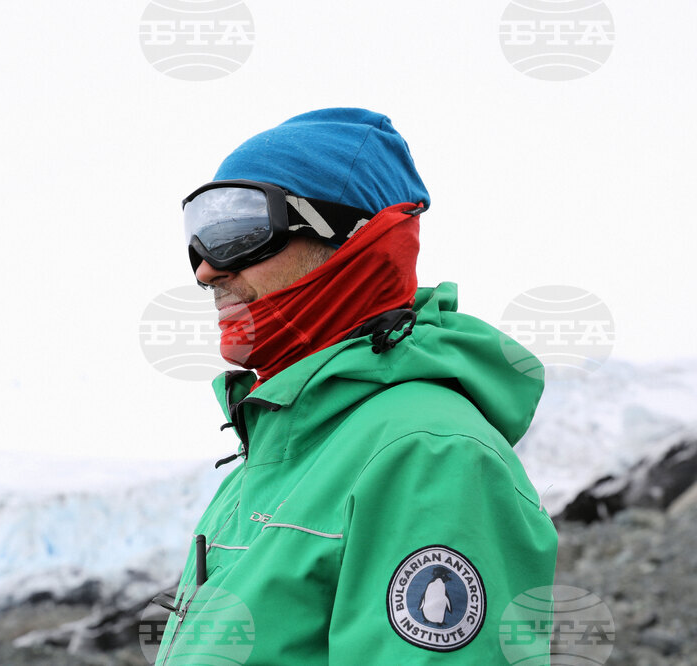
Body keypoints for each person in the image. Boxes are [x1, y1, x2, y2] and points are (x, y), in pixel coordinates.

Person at [155, 108, 558, 664]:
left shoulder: (427, 455)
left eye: (240, 229)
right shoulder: (280, 450)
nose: (205, 270)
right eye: (199, 234)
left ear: (355, 238)